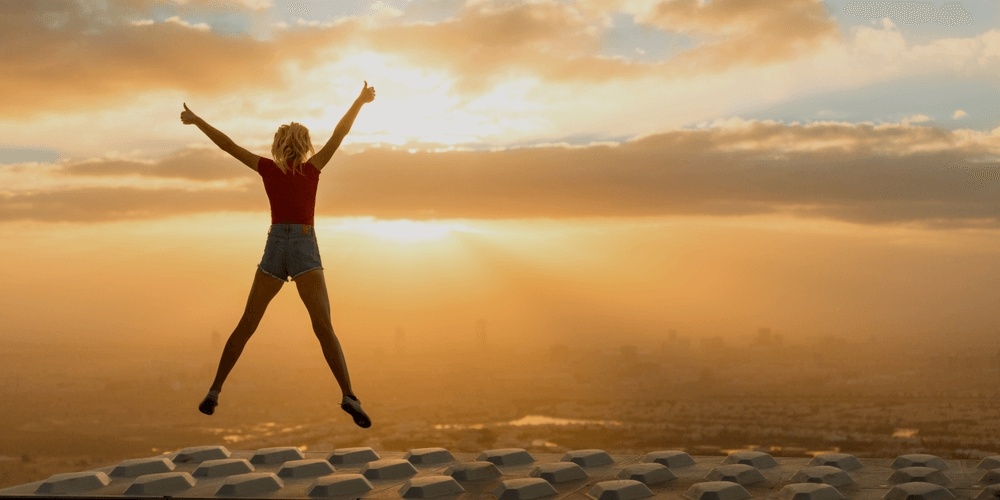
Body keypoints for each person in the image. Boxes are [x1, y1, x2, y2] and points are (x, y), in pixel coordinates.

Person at [180, 81, 376, 428]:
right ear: (304, 146)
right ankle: (348, 394)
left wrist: (197, 120)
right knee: (324, 328)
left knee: (247, 324)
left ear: (278, 146)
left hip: (274, 246)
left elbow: (227, 145)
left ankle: (214, 391)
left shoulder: (267, 170)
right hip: (304, 245)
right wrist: (360, 101)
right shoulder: (313, 168)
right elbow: (340, 133)